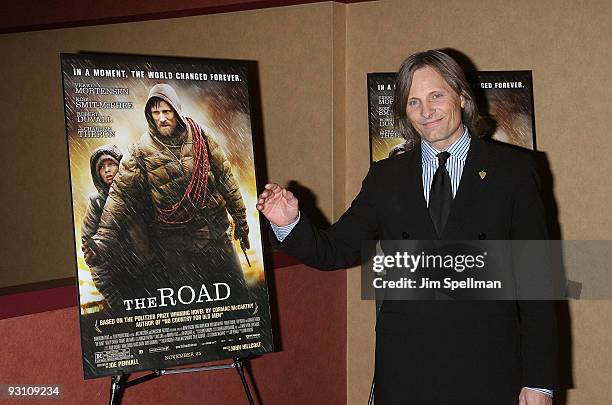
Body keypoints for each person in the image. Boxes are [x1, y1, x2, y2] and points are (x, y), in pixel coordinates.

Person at [257, 50, 557, 404]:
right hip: (406, 371)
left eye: (436, 96)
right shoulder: (387, 177)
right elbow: (335, 249)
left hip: (488, 367)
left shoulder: (514, 172)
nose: (426, 111)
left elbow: (538, 283)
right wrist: (290, 223)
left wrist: (539, 381)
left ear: (461, 96)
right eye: (413, 101)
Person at [85, 83, 251, 305]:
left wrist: (241, 220)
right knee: (194, 314)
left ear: (176, 110)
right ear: (150, 116)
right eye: (156, 113)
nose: (162, 118)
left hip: (217, 237)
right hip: (178, 248)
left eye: (166, 111)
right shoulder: (140, 151)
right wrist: (102, 240)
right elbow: (118, 196)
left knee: (240, 302)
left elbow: (226, 179)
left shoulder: (202, 136)